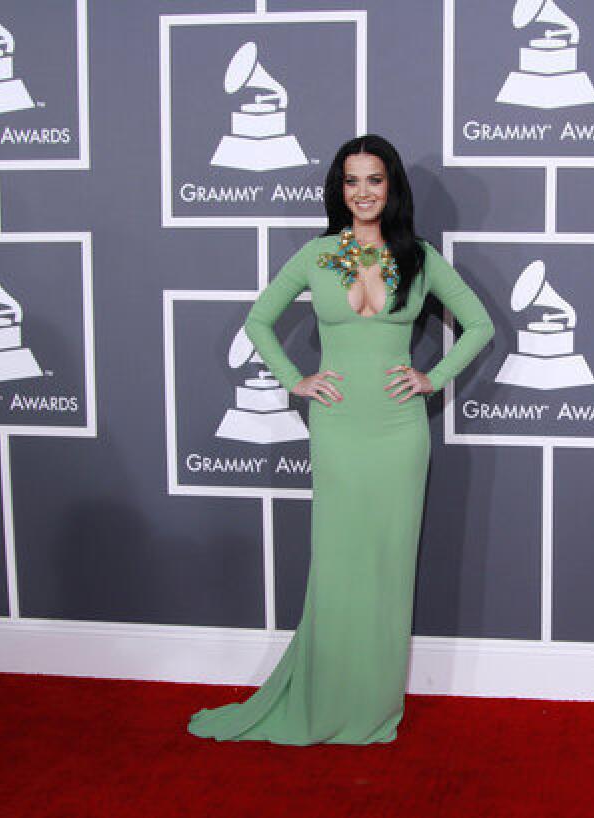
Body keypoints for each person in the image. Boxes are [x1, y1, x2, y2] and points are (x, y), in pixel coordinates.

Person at [187, 134, 494, 746]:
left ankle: (374, 705)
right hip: (336, 427)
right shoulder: (320, 255)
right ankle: (327, 695)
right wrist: (294, 380)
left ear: (392, 187)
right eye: (351, 181)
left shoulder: (418, 258)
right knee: (337, 564)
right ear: (338, 189)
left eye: (374, 180)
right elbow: (258, 320)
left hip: (399, 431)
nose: (363, 192)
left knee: (388, 564)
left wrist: (430, 378)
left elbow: (481, 325)